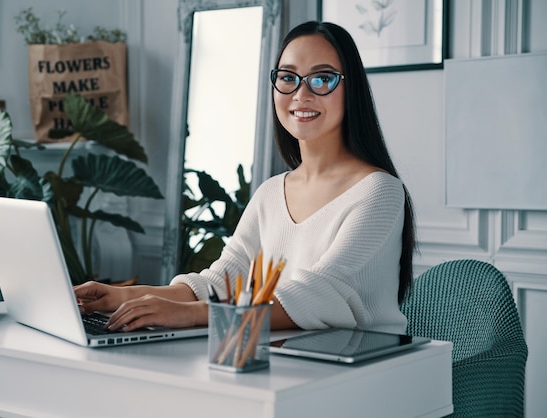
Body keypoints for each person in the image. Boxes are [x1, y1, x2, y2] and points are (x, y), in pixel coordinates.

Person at [74, 21, 416, 334]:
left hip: (362, 377)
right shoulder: (271, 193)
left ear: (351, 88)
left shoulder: (379, 191)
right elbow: (224, 279)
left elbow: (320, 293)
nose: (301, 94)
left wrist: (191, 314)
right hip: (286, 364)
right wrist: (119, 296)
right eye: (287, 77)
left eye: (322, 79)